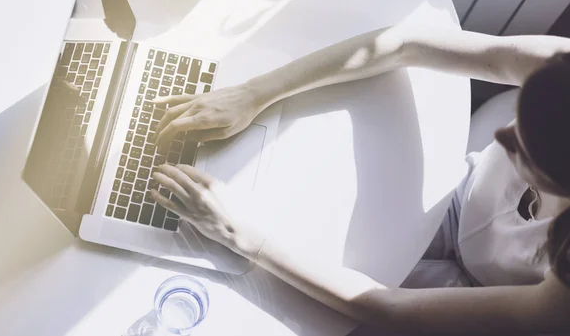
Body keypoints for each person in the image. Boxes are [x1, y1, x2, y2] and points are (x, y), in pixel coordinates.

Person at [149, 22, 570, 335]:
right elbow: (406, 43)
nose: (502, 136)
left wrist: (237, 232)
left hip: (482, 294)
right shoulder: (562, 69)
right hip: (464, 192)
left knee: (272, 301)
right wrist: (253, 94)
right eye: (518, 115)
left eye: (524, 148)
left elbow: (387, 307)